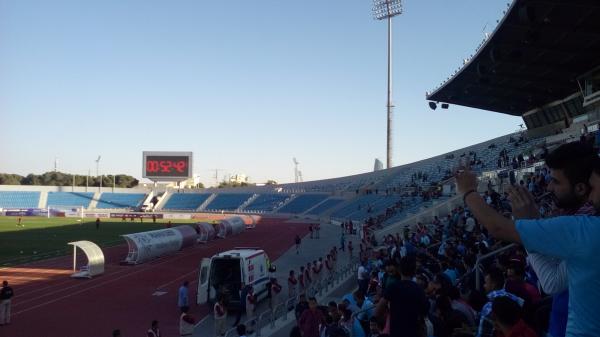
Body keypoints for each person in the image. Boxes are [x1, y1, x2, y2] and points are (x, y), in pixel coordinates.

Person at [455, 160, 600, 336]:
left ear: (581, 189)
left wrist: (467, 191)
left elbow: (497, 228)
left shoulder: (587, 228)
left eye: (593, 187)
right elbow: (554, 282)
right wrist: (533, 226)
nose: (548, 188)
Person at [375, 256, 427, 337]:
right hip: (413, 332)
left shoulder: (393, 287)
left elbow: (377, 311)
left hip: (396, 332)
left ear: (399, 269)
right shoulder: (419, 290)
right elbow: (424, 312)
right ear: (414, 271)